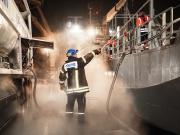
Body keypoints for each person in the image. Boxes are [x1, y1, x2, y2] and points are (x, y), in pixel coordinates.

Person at [59, 48, 101, 124]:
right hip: (81, 91)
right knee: (81, 106)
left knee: (69, 105)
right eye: (75, 53)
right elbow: (88, 57)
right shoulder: (79, 62)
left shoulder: (65, 66)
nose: (76, 54)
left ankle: (68, 121)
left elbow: (61, 77)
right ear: (73, 54)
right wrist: (95, 51)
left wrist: (62, 85)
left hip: (71, 91)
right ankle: (81, 122)